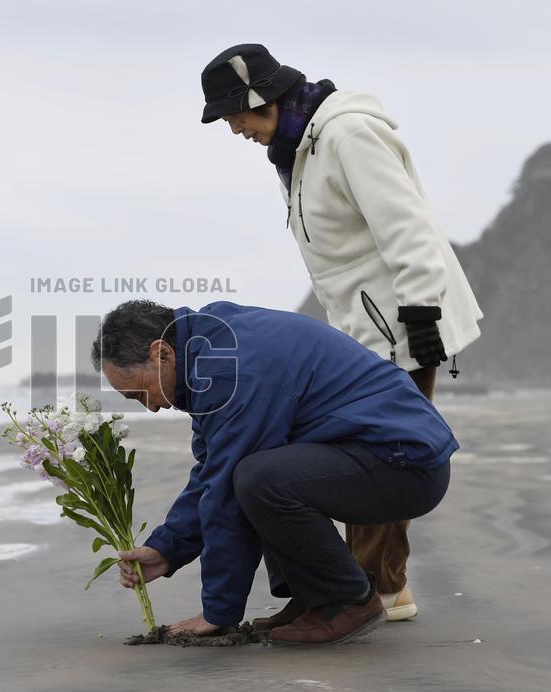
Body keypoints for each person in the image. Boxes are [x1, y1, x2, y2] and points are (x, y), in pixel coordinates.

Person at [197, 43, 483, 622]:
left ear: (264, 98)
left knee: (381, 458)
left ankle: (373, 591)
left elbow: (409, 226)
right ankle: (383, 587)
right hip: (361, 328)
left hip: (402, 321)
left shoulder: (347, 134)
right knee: (360, 457)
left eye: (235, 115)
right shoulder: (297, 151)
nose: (234, 129)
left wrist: (422, 313)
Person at [92, 299, 456, 645]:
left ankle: (347, 601)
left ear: (162, 352)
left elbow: (226, 491)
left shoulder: (228, 369)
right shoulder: (211, 352)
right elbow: (211, 472)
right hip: (376, 452)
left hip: (406, 464)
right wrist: (166, 549)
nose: (152, 407)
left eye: (141, 394)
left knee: (256, 478)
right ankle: (315, 598)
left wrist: (218, 612)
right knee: (252, 470)